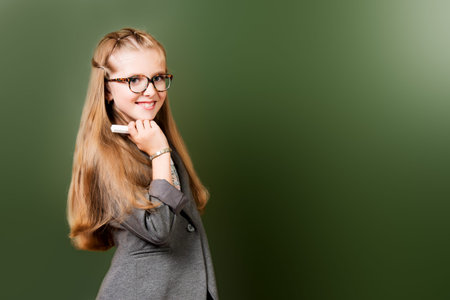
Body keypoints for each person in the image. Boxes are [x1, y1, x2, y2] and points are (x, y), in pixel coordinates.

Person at [67, 27, 219, 300]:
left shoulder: (154, 138)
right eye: (134, 79)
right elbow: (158, 229)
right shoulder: (106, 154)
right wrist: (159, 153)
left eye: (158, 77)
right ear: (107, 89)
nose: (150, 90)